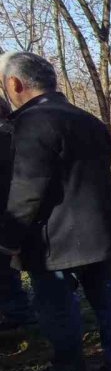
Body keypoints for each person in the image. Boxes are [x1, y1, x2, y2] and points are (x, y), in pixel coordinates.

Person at [0, 51, 111, 371]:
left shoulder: (30, 124)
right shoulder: (88, 119)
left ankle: (68, 367)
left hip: (54, 239)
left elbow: (27, 191)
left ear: (14, 83)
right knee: (107, 296)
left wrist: (8, 238)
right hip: (101, 230)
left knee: (55, 303)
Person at [0, 96, 34, 331]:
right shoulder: (19, 134)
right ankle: (18, 312)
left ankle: (18, 313)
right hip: (16, 209)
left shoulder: (8, 137)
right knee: (7, 269)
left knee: (5, 269)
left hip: (10, 210)